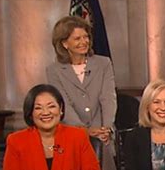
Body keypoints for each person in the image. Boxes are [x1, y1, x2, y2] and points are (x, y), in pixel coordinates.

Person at [46, 16, 117, 145]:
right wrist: (83, 130)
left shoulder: (103, 63)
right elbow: (63, 104)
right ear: (64, 43)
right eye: (77, 38)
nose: (84, 42)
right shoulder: (54, 70)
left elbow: (108, 98)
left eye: (86, 37)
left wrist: (106, 128)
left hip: (102, 135)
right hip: (71, 135)